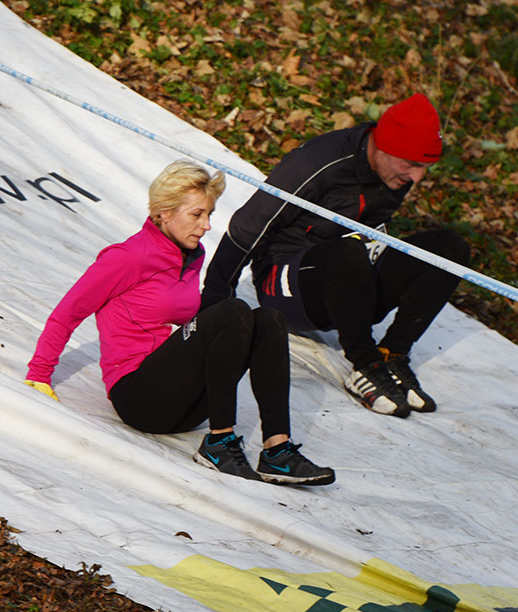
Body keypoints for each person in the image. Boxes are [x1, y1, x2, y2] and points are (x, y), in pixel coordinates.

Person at [24, 159, 335, 486]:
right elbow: (69, 311)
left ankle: (277, 451)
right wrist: (39, 374)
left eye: (209, 215)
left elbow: (194, 326)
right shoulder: (128, 257)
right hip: (139, 397)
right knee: (233, 310)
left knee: (268, 319)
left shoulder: (192, 255)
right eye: (196, 214)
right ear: (164, 213)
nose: (206, 225)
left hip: (184, 405)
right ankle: (219, 442)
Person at [200, 93, 470, 418]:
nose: (417, 178)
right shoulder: (319, 162)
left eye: (425, 168)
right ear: (384, 146)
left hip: (347, 279)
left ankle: (391, 354)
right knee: (348, 250)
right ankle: (364, 365)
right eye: (411, 164)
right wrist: (214, 304)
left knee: (449, 249)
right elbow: (248, 226)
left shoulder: (395, 173)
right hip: (286, 284)